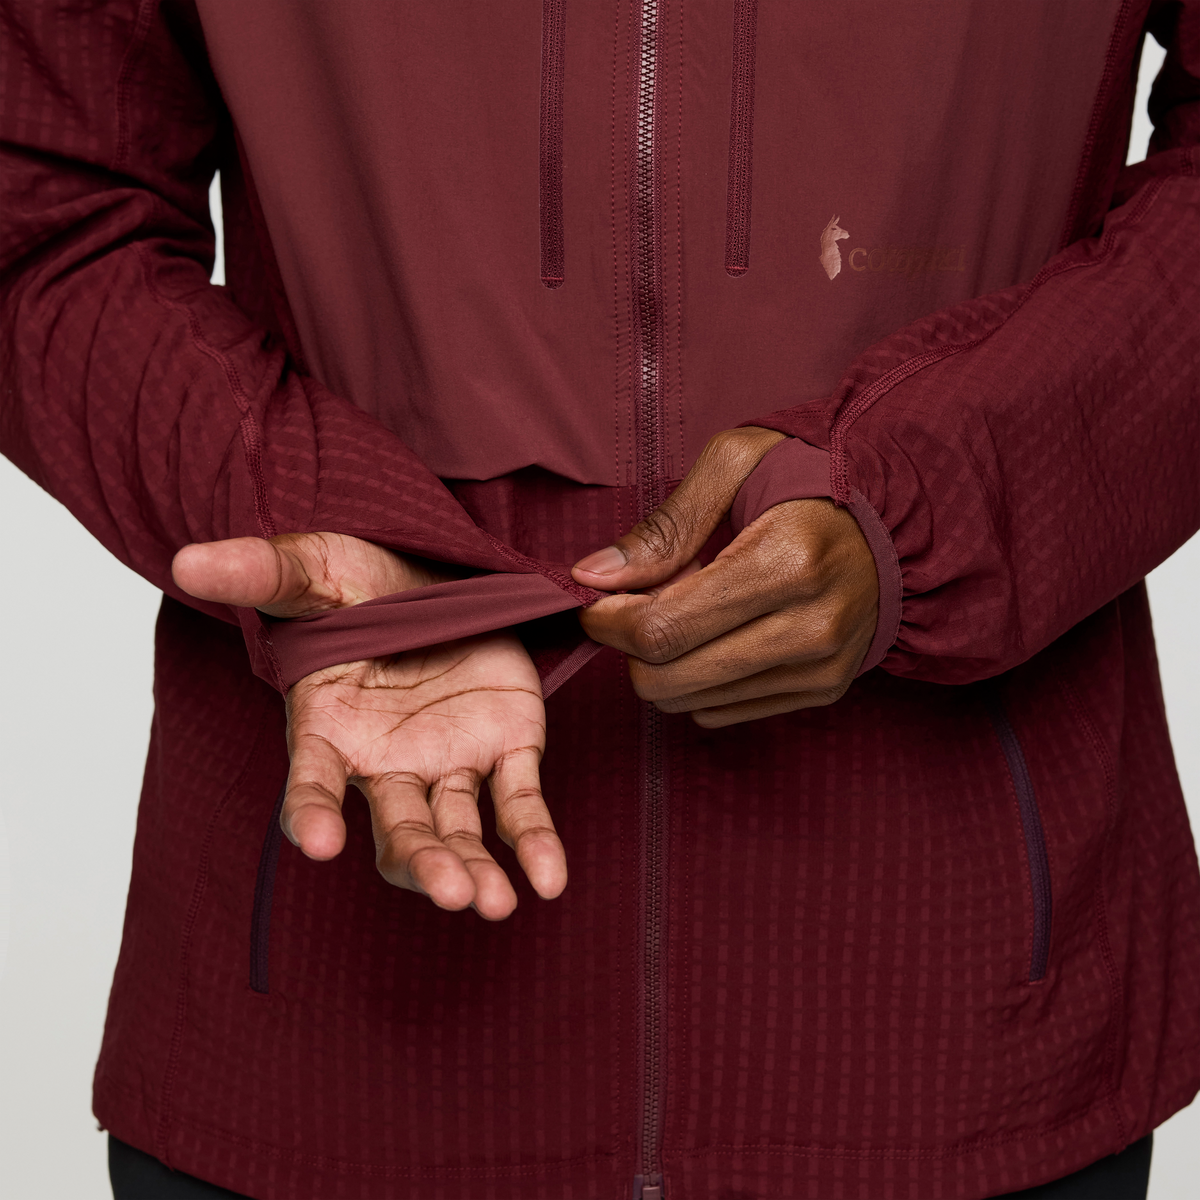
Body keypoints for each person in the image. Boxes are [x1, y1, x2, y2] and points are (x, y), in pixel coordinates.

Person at [2, 2, 1198, 1198]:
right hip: (326, 1017)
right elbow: (44, 211)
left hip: (965, 1014)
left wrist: (934, 493)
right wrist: (316, 507)